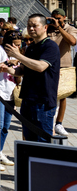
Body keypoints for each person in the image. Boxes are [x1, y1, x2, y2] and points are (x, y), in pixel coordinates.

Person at [5, 14, 60, 143]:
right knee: (29, 140)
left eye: (35, 25)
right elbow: (23, 70)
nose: (31, 28)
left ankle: (45, 164)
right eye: (29, 25)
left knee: (43, 142)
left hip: (43, 101)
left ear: (45, 27)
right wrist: (9, 69)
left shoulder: (50, 46)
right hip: (28, 99)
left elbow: (40, 67)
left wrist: (18, 56)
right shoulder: (31, 48)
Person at [0, 30, 22, 169]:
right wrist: (7, 62)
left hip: (9, 93)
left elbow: (17, 75)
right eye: (14, 44)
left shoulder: (18, 54)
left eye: (18, 45)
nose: (16, 47)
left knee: (5, 126)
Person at [46, 8, 76, 137]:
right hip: (47, 65)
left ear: (64, 17)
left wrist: (60, 28)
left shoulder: (70, 28)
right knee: (47, 94)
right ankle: (48, 120)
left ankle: (59, 123)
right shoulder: (48, 29)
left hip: (63, 65)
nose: (56, 20)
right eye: (54, 18)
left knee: (62, 95)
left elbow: (72, 41)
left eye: (59, 18)